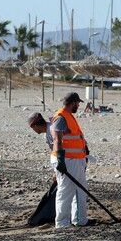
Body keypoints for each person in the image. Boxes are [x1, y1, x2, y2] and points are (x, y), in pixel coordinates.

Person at [51, 92, 92, 228]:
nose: (79, 106)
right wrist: (60, 160)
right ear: (73, 102)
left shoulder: (68, 116)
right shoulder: (61, 117)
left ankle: (80, 220)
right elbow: (57, 139)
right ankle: (62, 223)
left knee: (79, 190)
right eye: (78, 103)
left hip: (75, 159)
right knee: (66, 190)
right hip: (68, 160)